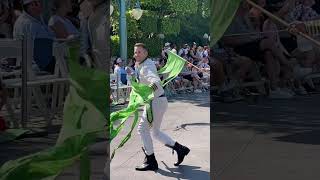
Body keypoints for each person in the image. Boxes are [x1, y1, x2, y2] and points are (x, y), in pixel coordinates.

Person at [133, 43, 190, 171]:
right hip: (157, 101)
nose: (136, 54)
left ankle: (151, 160)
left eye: (139, 52)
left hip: (155, 102)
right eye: (135, 52)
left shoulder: (146, 66)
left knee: (143, 130)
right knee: (156, 132)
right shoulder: (144, 64)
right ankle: (181, 149)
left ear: (146, 53)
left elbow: (156, 82)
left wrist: (148, 91)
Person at [13, 0, 56, 74]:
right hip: (42, 66)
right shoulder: (27, 23)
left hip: (48, 61)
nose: (42, 5)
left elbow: (51, 35)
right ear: (32, 5)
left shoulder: (34, 19)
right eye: (39, 2)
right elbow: (28, 49)